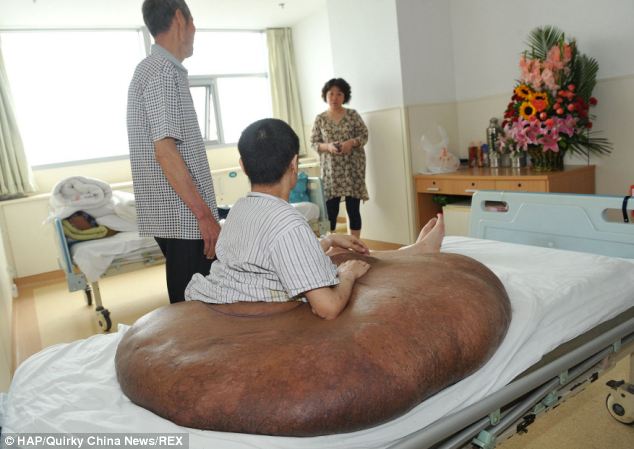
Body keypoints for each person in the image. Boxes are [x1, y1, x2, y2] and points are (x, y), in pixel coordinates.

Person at [185, 118, 445, 320]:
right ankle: (416, 252)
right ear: (294, 164)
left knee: (335, 252)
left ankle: (412, 251)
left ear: (242, 166)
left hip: (225, 291)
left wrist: (329, 240)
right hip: (260, 303)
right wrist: (348, 276)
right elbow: (327, 308)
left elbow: (270, 255)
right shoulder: (288, 223)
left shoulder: (239, 209)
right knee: (345, 263)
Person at [127, 0, 220, 303]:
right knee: (194, 305)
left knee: (194, 300)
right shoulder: (162, 71)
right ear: (180, 19)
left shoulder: (154, 69)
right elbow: (165, 151)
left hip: (176, 214)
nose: (195, 31)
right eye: (193, 22)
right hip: (184, 216)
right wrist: (204, 215)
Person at [311, 78, 369, 239]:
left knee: (353, 210)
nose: (334, 98)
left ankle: (356, 244)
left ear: (345, 96)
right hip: (331, 172)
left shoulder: (353, 115)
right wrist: (328, 146)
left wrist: (351, 142)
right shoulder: (320, 118)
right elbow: (314, 143)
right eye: (331, 94)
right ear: (325, 95)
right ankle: (332, 244)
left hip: (353, 169)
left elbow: (364, 135)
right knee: (331, 210)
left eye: (339, 94)